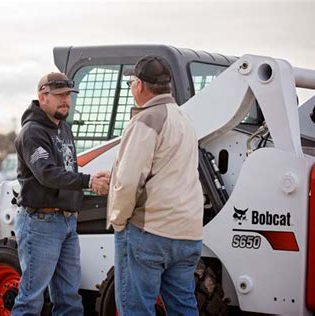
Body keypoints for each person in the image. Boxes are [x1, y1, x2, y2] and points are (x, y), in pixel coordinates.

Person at [107, 56, 204, 315]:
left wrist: (118, 221)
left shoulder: (145, 120)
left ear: (139, 85)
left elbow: (129, 182)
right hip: (187, 234)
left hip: (149, 232)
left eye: (131, 82)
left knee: (136, 309)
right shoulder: (184, 119)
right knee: (184, 308)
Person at [12, 72, 109, 316]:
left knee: (69, 298)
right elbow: (47, 174)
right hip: (40, 223)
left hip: (67, 222)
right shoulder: (32, 133)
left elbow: (68, 170)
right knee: (31, 299)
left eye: (68, 95)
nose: (66, 100)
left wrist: (93, 181)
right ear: (42, 97)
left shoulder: (63, 128)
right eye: (59, 95)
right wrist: (88, 181)